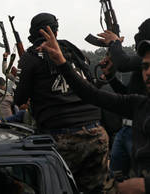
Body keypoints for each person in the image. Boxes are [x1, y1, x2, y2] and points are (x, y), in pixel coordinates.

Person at [39, 25, 150, 194]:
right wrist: (62, 63)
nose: (148, 72)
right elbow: (92, 94)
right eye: (145, 67)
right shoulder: (140, 104)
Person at [13, 13, 107, 193]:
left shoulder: (31, 56)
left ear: (33, 33)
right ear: (55, 31)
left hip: (61, 137)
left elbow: (19, 99)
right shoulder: (72, 50)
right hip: (97, 133)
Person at [97, 19, 150, 178]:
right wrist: (110, 77)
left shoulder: (144, 61)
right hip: (126, 129)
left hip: (140, 132)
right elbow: (126, 94)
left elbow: (124, 63)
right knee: (116, 181)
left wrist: (114, 42)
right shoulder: (141, 70)